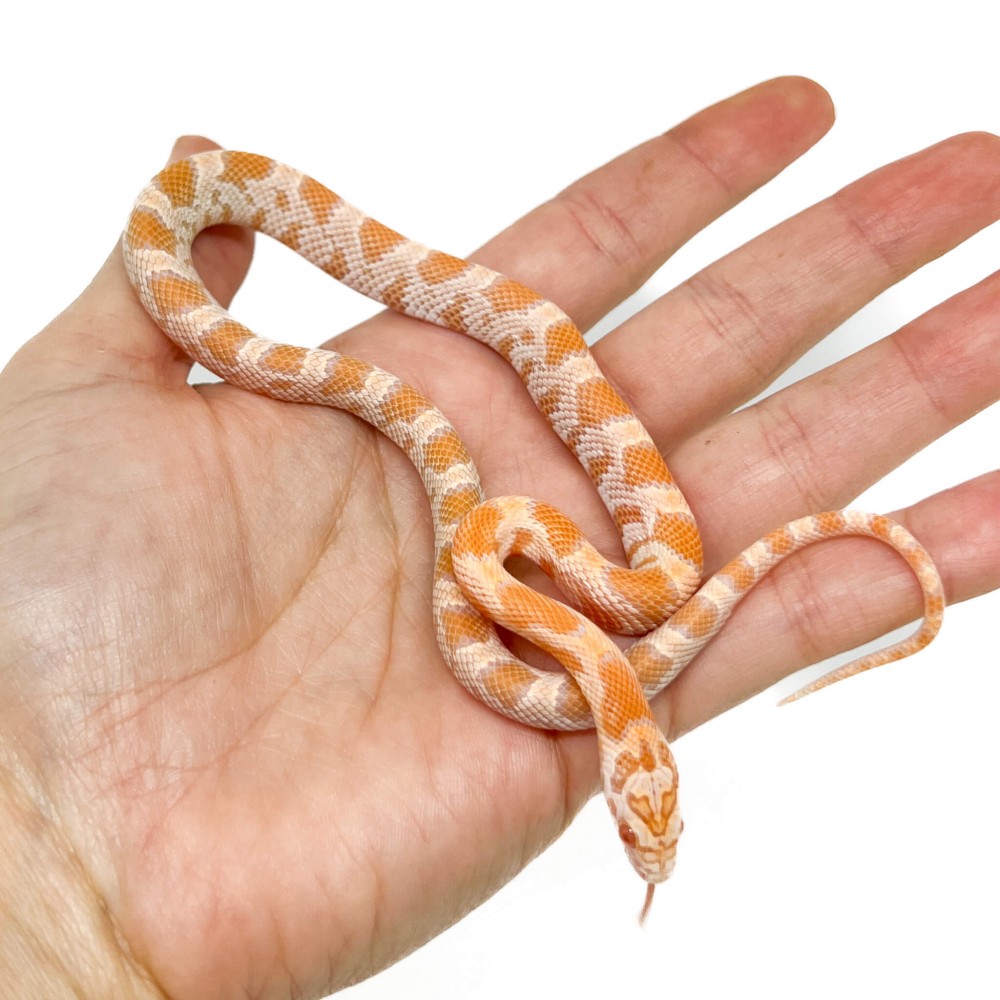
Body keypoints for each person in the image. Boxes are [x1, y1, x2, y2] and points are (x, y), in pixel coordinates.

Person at [1, 77, 997, 998]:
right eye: (649, 813)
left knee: (627, 568)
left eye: (641, 814)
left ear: (629, 761)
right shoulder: (579, 604)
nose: (646, 825)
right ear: (636, 757)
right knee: (626, 564)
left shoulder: (551, 593)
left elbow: (545, 588)